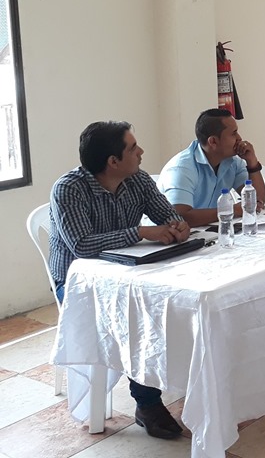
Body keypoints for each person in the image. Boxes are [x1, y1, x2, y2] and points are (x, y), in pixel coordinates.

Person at [50, 121, 191, 439]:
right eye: (133, 148)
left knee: (170, 302)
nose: (141, 152)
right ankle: (148, 403)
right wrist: (140, 232)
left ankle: (185, 378)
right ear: (113, 161)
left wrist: (177, 225)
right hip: (78, 285)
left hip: (128, 274)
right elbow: (82, 245)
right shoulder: (69, 189)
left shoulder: (137, 179)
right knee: (137, 316)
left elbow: (166, 213)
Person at [159, 109, 265, 227]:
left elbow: (257, 202)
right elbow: (180, 217)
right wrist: (231, 210)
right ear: (213, 141)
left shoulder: (233, 162)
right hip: (172, 236)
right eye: (233, 133)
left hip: (209, 232)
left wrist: (252, 163)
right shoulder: (181, 169)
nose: (239, 138)